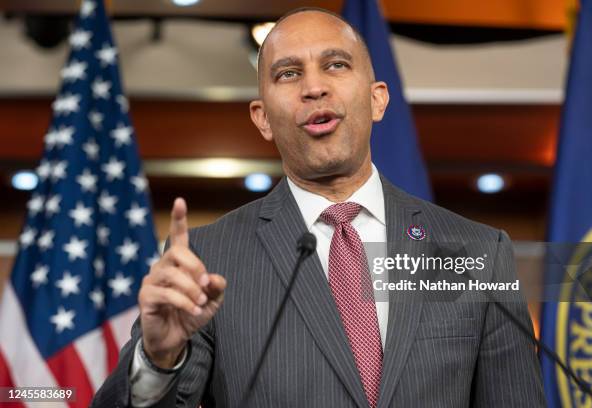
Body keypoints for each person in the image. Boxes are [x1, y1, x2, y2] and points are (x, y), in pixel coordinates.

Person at [91, 7, 545, 408]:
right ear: (262, 118)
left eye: (336, 65)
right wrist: (159, 359)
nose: (314, 87)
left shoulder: (479, 253)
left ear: (377, 99)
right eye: (288, 74)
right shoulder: (208, 261)